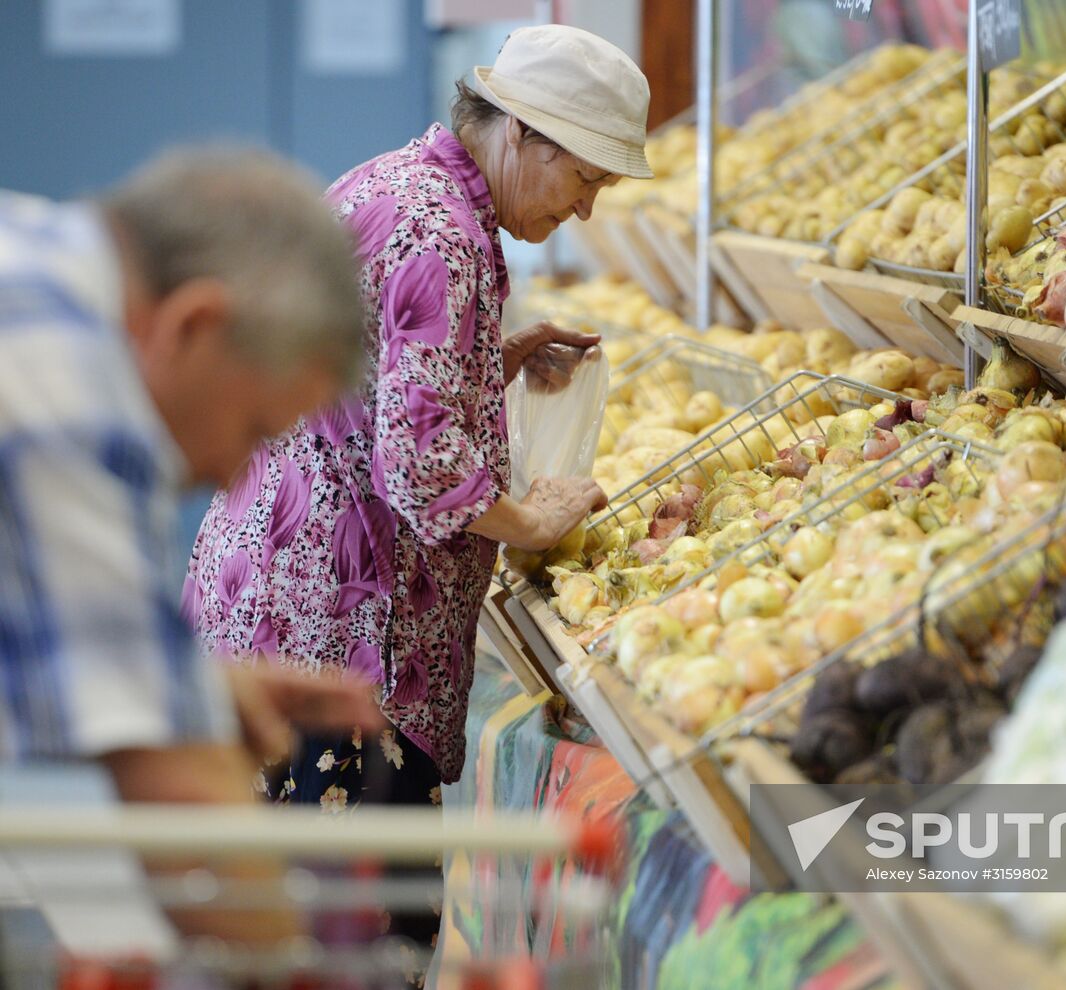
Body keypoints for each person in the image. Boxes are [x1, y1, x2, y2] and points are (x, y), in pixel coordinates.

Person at [184, 24, 652, 943]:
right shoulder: (445, 233)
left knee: (271, 925)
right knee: (346, 945)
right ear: (522, 133)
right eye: (586, 180)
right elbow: (421, 468)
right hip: (342, 642)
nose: (587, 210)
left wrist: (494, 358)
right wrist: (531, 518)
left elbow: (364, 381)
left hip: (271, 593)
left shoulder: (397, 183)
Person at [0, 150, 384, 942]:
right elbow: (182, 802)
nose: (228, 474)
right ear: (193, 325)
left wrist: (188, 688)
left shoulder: (36, 261)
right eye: (254, 431)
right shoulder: (61, 373)